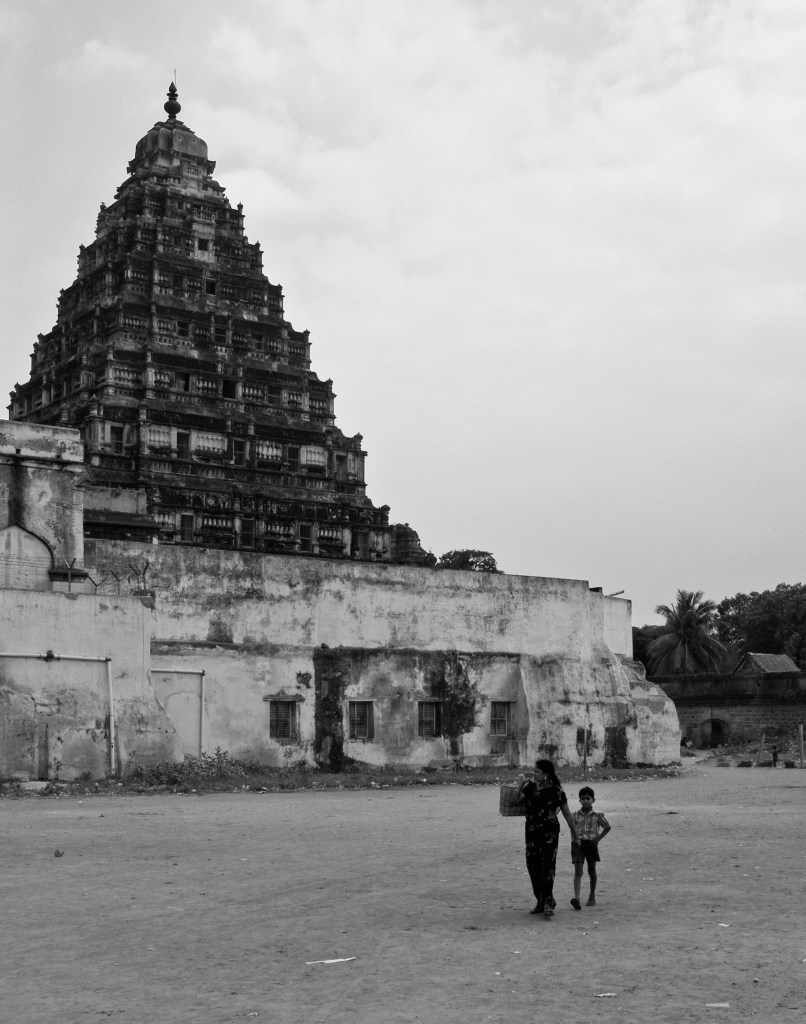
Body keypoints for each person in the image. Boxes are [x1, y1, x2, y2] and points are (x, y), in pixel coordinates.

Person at [512, 759, 579, 919]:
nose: (533, 773)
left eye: (536, 771)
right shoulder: (530, 787)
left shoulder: (557, 791)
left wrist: (575, 833)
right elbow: (514, 801)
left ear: (546, 774)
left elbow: (567, 813)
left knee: (547, 867)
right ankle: (541, 900)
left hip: (550, 833)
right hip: (532, 832)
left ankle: (548, 902)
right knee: (532, 866)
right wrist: (520, 784)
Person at [569, 786, 611, 909]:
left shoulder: (598, 815)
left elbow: (607, 827)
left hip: (591, 844)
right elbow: (572, 828)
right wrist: (574, 842)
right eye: (583, 798)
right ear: (579, 801)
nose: (585, 800)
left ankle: (592, 896)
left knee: (591, 870)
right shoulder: (575, 815)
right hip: (579, 844)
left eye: (588, 798)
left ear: (593, 800)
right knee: (578, 872)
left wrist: (597, 839)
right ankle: (577, 898)